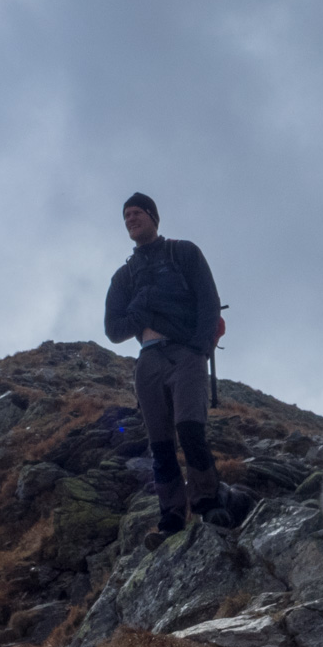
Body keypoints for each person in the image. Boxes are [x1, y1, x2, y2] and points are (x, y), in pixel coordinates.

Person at [103, 192, 228, 545]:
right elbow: (114, 330)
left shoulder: (183, 253)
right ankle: (171, 516)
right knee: (160, 444)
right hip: (149, 360)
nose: (130, 219)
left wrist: (200, 349)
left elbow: (209, 301)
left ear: (153, 217)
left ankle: (208, 501)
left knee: (190, 430)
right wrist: (143, 308)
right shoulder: (124, 277)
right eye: (125, 215)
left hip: (186, 355)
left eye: (137, 213)